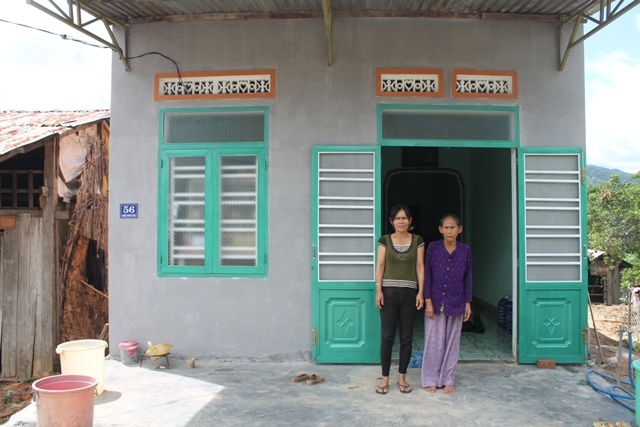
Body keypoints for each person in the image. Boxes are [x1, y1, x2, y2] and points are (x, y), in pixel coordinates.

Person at [375, 205, 425, 395]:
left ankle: (402, 378)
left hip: (409, 293)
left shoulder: (418, 240)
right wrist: (379, 290)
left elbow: (420, 267)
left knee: (406, 337)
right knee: (387, 337)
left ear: (410, 220)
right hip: (388, 293)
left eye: (404, 218)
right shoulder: (385, 240)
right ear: (391, 221)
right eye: (397, 218)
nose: (401, 221)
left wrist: (421, 292)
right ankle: (385, 379)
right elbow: (380, 265)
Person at [421, 213, 472, 394]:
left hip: (457, 301)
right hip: (435, 301)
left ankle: (448, 379)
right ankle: (431, 379)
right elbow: (427, 274)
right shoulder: (433, 248)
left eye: (453, 227)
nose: (449, 231)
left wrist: (468, 302)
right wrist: (428, 300)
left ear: (460, 229)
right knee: (433, 342)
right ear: (440, 229)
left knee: (452, 342)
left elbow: (468, 277)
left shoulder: (465, 250)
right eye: (446, 228)